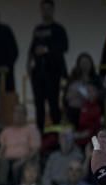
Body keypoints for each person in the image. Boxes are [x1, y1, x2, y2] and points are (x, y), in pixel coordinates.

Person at [27, 0, 69, 130]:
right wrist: (28, 65)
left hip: (54, 72)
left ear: (53, 10)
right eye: (43, 8)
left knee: (53, 104)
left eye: (48, 8)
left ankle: (56, 135)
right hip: (38, 73)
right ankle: (40, 136)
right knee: (39, 105)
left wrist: (47, 50)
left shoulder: (59, 29)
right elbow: (32, 49)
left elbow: (65, 47)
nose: (46, 11)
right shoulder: (37, 29)